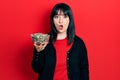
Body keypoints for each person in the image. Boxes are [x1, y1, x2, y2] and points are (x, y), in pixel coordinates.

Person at [32, 3, 89, 80]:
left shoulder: (79, 44)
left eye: (65, 16)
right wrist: (38, 51)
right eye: (57, 17)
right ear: (52, 19)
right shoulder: (43, 41)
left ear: (70, 19)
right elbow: (36, 68)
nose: (60, 21)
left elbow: (84, 70)